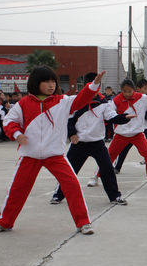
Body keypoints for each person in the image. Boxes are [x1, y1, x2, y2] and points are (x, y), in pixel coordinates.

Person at [0, 66, 105, 235]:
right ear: (36, 83)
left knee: (72, 186)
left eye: (53, 81)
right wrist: (17, 134)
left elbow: (81, 99)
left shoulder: (63, 102)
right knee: (16, 190)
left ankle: (83, 223)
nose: (51, 85)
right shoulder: (23, 103)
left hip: (55, 155)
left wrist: (93, 85)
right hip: (29, 155)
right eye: (46, 81)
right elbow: (8, 121)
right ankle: (4, 222)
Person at [51, 72, 135, 205]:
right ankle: (58, 195)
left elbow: (111, 117)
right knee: (69, 170)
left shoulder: (104, 103)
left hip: (97, 144)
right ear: (86, 87)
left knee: (107, 168)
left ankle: (114, 196)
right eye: (91, 87)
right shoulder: (75, 102)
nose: (94, 90)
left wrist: (124, 117)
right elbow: (69, 119)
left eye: (97, 87)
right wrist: (72, 134)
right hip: (79, 143)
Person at [106, 79, 147, 189]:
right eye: (125, 91)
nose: (127, 94)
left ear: (134, 90)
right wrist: (120, 118)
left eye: (129, 91)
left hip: (139, 132)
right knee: (108, 156)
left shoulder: (142, 98)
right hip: (121, 134)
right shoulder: (116, 100)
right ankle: (97, 175)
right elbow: (109, 114)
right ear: (121, 90)